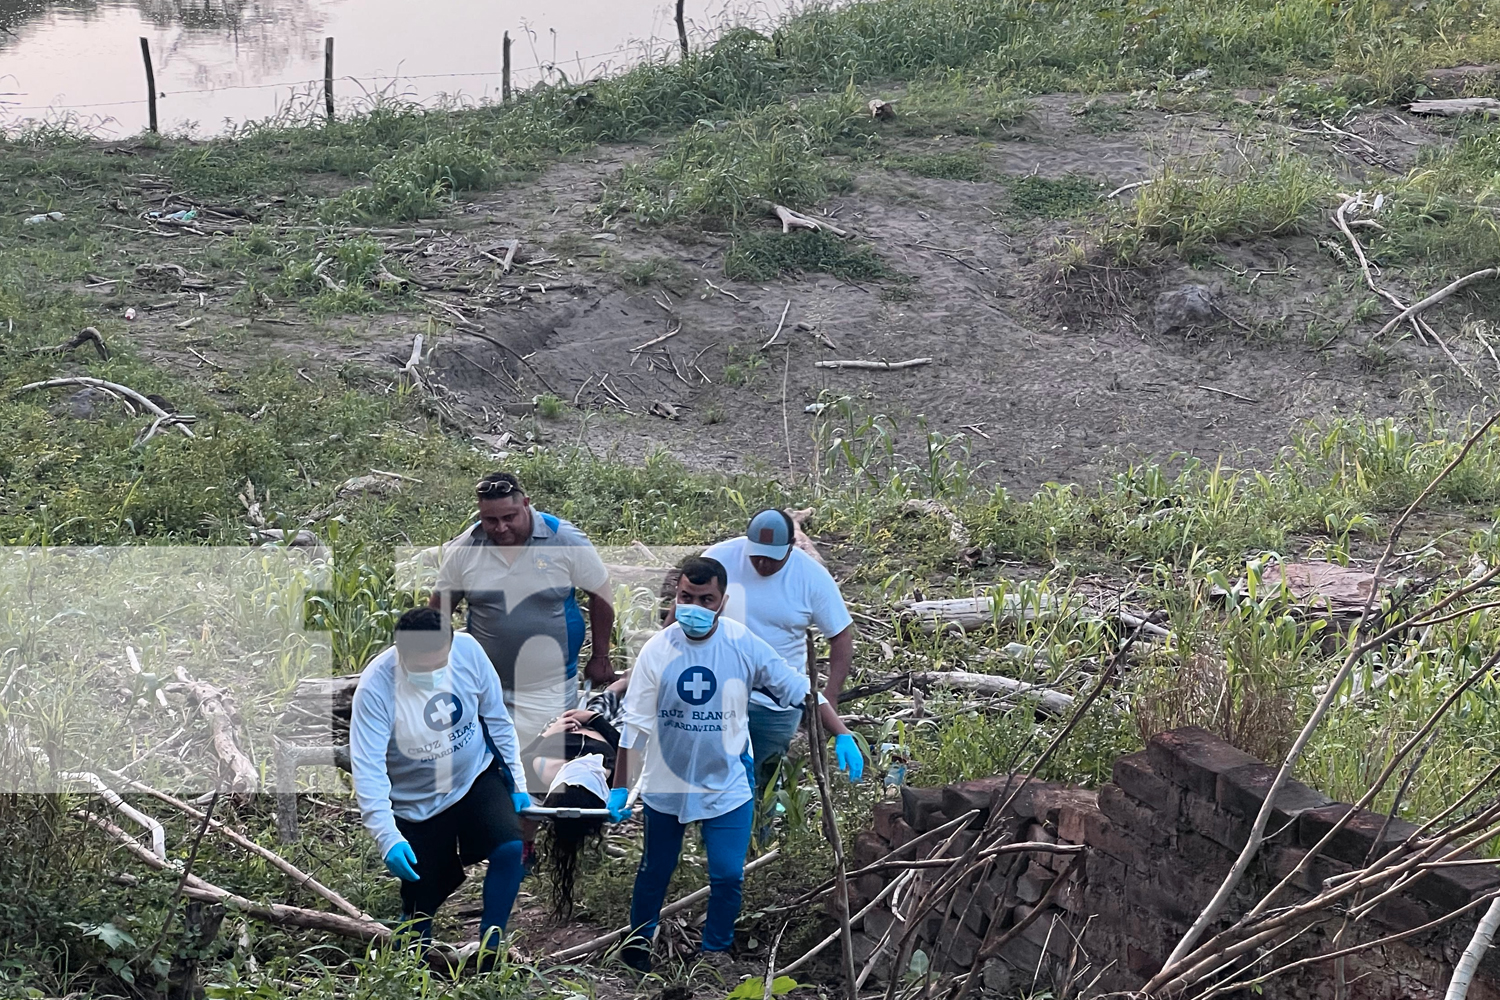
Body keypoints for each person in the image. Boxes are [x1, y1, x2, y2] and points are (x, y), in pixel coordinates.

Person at [608, 556, 811, 972]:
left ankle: (714, 952)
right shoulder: (657, 650)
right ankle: (636, 945)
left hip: (727, 782)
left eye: (706, 599)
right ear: (676, 596)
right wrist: (620, 785)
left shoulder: (743, 644)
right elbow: (636, 725)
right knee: (654, 870)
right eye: (686, 597)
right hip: (667, 782)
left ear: (722, 600)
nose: (694, 606)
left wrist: (840, 730)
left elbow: (796, 687)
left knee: (727, 874)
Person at [349, 606, 531, 949]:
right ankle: (417, 962)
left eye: (440, 664)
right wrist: (388, 837)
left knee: (510, 848)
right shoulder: (375, 689)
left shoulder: (468, 651)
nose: (433, 673)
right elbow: (368, 769)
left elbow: (497, 718)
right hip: (415, 802)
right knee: (423, 897)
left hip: (473, 776)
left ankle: (491, 948)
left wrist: (518, 782)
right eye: (422, 668)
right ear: (400, 653)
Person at [430, 472, 615, 749]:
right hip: (485, 685)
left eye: (510, 517)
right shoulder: (465, 548)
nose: (501, 528)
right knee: (490, 761)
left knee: (545, 762)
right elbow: (439, 610)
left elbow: (601, 594)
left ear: (526, 504)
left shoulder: (562, 539)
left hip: (550, 687)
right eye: (490, 520)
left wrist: (600, 655)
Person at [702, 509, 863, 797]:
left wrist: (832, 698)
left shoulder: (811, 577)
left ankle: (759, 838)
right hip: (715, 694)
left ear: (790, 547)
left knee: (763, 784)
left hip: (775, 703)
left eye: (772, 558)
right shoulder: (718, 559)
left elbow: (840, 637)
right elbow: (680, 614)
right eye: (756, 555)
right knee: (714, 782)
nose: (762, 564)